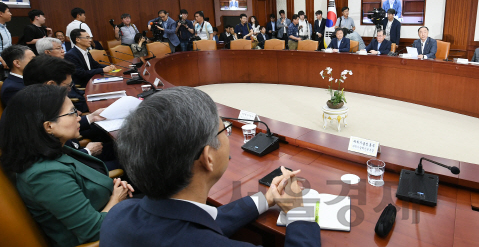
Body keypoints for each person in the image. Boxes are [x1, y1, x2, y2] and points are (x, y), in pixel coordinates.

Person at [99, 87, 320, 247]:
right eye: (224, 129)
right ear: (208, 157)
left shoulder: (118, 215)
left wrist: (266, 199)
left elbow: (194, 222)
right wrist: (298, 211)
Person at [0, 84, 133, 247]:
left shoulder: (53, 149)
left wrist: (114, 187)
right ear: (49, 126)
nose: (78, 116)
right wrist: (116, 198)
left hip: (115, 214)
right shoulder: (44, 176)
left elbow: (83, 185)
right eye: (71, 112)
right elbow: (94, 230)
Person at [0, 2, 12, 71]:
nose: (10, 14)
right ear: (0, 13)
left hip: (6, 64)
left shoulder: (4, 28)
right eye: (8, 11)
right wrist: (2, 60)